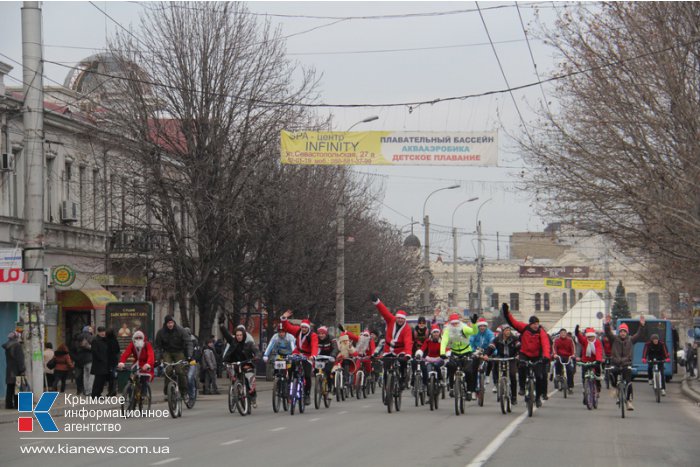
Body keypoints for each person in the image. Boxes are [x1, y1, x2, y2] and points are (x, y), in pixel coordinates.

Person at [502, 303, 551, 408]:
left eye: (537, 324)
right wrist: (506, 312)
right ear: (530, 324)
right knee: (522, 367)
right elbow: (513, 322)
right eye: (534, 324)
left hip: (537, 356)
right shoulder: (524, 328)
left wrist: (546, 356)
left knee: (539, 377)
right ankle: (522, 388)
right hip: (524, 353)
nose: (536, 325)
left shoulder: (541, 332)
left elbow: (545, 344)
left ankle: (537, 398)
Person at [604, 314, 646, 411]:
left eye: (624, 331)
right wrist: (607, 324)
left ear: (627, 332)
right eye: (621, 331)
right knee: (611, 374)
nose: (623, 333)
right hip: (615, 363)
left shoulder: (631, 340)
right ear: (619, 332)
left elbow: (639, 334)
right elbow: (608, 332)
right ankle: (614, 388)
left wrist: (642, 326)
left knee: (628, 383)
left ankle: (629, 401)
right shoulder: (614, 339)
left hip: (627, 364)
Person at [280, 310, 318, 405]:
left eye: (305, 327)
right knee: (291, 367)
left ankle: (307, 394)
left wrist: (313, 356)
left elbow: (315, 346)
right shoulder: (297, 331)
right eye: (302, 327)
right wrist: (284, 318)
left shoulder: (313, 335)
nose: (303, 329)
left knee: (307, 376)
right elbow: (287, 327)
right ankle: (289, 386)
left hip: (308, 356)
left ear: (308, 328)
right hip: (297, 352)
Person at [220, 319, 260, 406]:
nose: (238, 337)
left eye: (240, 335)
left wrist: (256, 356)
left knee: (250, 379)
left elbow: (256, 351)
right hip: (235, 364)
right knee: (233, 378)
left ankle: (253, 397)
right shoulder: (233, 342)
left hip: (246, 364)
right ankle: (235, 395)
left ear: (244, 335)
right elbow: (226, 335)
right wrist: (222, 326)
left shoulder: (249, 343)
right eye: (237, 335)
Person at [154, 315, 194, 400]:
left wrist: (189, 355)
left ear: (174, 322)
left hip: (179, 351)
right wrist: (157, 359)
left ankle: (184, 392)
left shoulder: (181, 330)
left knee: (180, 371)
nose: (170, 324)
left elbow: (189, 343)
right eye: (168, 323)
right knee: (168, 371)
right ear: (166, 324)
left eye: (171, 322)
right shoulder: (161, 332)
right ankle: (167, 392)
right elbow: (157, 347)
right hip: (167, 352)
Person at [441, 312, 478, 398]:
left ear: (459, 322)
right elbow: (444, 341)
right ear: (450, 323)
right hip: (455, 352)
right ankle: (451, 388)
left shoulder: (464, 328)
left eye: (456, 323)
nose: (454, 325)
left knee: (468, 371)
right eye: (453, 323)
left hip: (466, 352)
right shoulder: (447, 330)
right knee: (450, 367)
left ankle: (469, 390)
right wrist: (442, 352)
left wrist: (474, 324)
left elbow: (474, 332)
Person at [483, 323, 520, 405]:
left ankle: (514, 396)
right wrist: (486, 355)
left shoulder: (514, 338)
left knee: (513, 375)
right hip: (501, 357)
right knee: (495, 367)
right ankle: (497, 384)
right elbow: (491, 347)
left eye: (509, 330)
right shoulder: (497, 339)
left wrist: (518, 354)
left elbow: (519, 347)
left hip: (511, 358)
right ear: (503, 331)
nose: (508, 332)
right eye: (506, 330)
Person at [117, 330, 155, 397]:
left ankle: (144, 395)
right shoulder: (132, 345)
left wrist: (148, 364)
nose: (138, 339)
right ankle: (130, 396)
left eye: (140, 338)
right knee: (131, 379)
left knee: (144, 378)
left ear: (143, 338)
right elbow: (126, 353)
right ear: (134, 339)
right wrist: (121, 362)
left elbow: (151, 355)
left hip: (146, 364)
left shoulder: (147, 345)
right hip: (136, 364)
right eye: (136, 338)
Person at [575, 326, 604, 405]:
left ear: (594, 336)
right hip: (586, 361)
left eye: (591, 337)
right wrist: (577, 332)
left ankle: (597, 389)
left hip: (595, 361)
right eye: (588, 337)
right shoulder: (585, 341)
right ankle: (585, 390)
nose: (590, 338)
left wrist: (598, 360)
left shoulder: (597, 342)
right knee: (584, 376)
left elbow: (598, 351)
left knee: (597, 375)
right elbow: (580, 338)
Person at [470, 317, 495, 391]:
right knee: (474, 369)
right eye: (480, 326)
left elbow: (493, 341)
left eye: (484, 326)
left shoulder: (489, 333)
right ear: (478, 326)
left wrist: (494, 351)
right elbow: (471, 341)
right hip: (476, 350)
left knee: (490, 359)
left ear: (486, 326)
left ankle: (487, 375)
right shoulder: (475, 332)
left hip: (486, 350)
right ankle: (473, 390)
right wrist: (471, 350)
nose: (482, 327)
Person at [3, 331, 25, 409]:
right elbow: (20, 359)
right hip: (17, 371)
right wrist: (22, 369)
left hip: (9, 370)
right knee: (17, 388)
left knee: (9, 388)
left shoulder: (7, 346)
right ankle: (17, 404)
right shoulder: (17, 346)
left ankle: (8, 404)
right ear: (16, 337)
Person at [552, 328, 576, 393]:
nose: (563, 334)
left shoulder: (570, 340)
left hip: (568, 356)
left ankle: (570, 387)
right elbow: (554, 348)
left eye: (564, 333)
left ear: (566, 334)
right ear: (559, 334)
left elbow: (573, 348)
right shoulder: (556, 340)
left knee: (570, 370)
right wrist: (555, 354)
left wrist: (573, 354)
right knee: (557, 363)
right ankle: (558, 375)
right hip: (559, 356)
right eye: (561, 333)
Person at [73, 325, 94, 395]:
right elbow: (93, 346)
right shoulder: (89, 336)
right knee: (91, 375)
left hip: (82, 360)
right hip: (90, 358)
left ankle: (85, 390)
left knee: (85, 375)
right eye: (90, 329)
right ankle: (90, 390)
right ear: (88, 330)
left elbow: (76, 348)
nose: (92, 330)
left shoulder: (78, 337)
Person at [90, 326, 110, 397]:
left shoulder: (105, 340)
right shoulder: (95, 340)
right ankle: (94, 394)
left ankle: (99, 394)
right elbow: (94, 352)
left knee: (102, 380)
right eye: (101, 332)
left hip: (105, 363)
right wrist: (101, 359)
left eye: (104, 331)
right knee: (98, 380)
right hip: (98, 364)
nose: (103, 333)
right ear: (98, 332)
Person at [105, 329, 121, 396]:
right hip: (114, 360)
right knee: (114, 376)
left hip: (108, 361)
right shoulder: (115, 340)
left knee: (110, 377)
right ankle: (113, 390)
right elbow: (118, 349)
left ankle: (111, 391)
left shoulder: (106, 341)